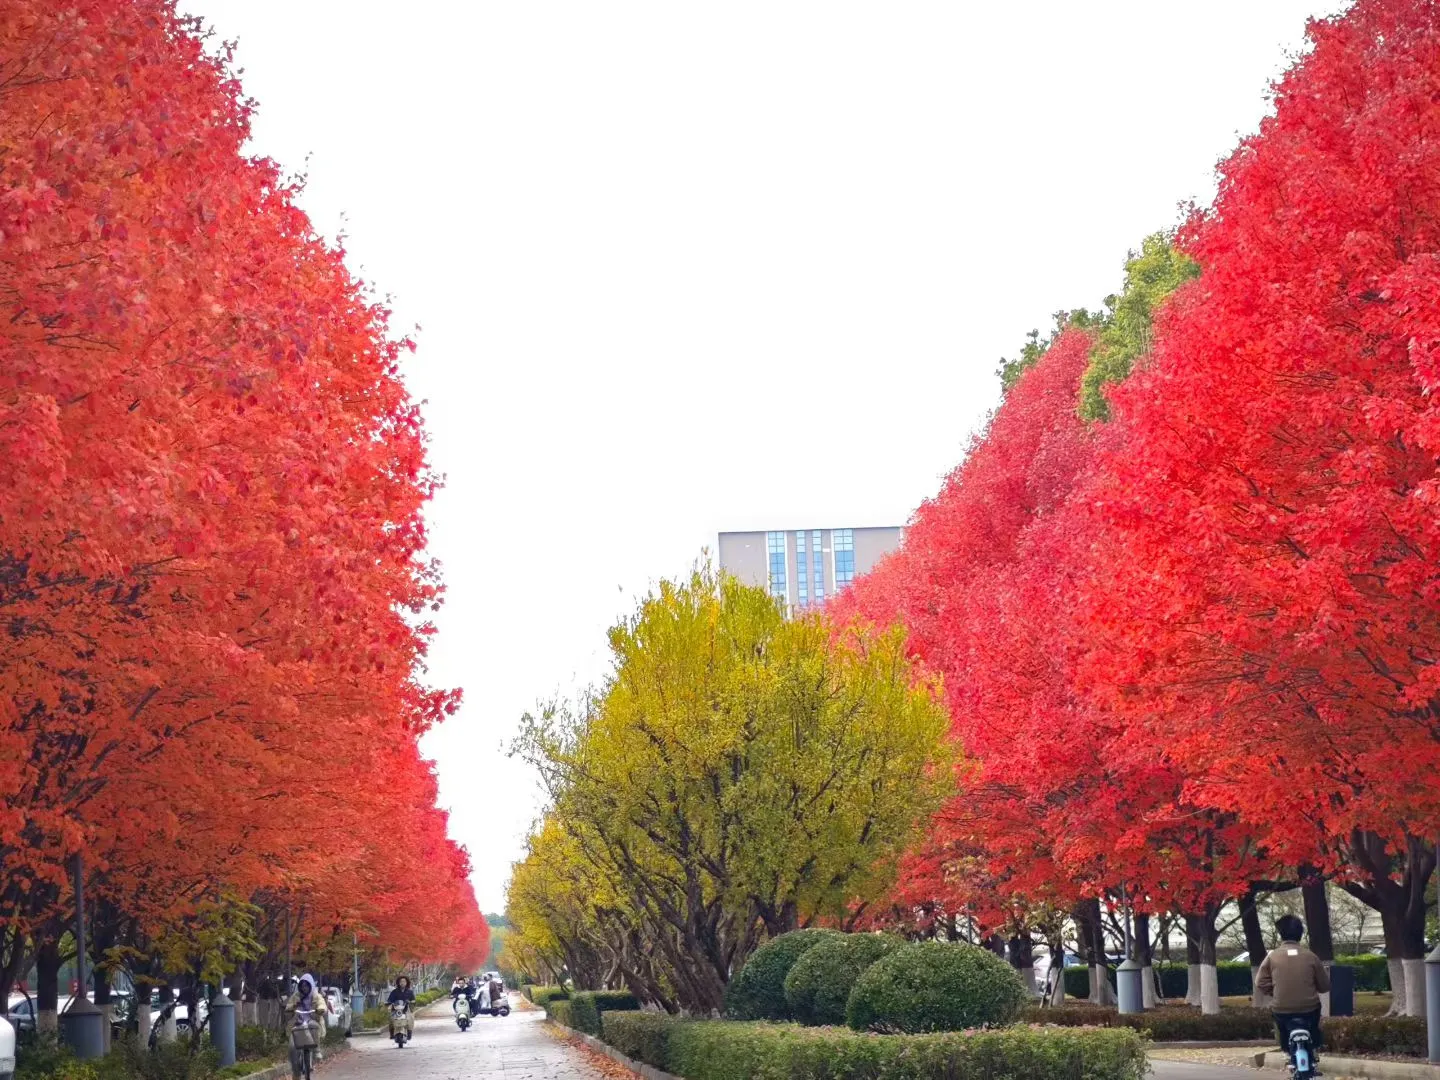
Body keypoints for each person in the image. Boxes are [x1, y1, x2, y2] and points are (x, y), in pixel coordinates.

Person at [1256, 915, 1329, 1070]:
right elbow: (1324, 985)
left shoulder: (1272, 956)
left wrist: (1275, 992)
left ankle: (1287, 1052)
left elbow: (1260, 982)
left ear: (1281, 933)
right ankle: (1314, 1048)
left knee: (1282, 1027)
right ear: (1300, 934)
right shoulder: (1311, 956)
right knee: (1314, 1025)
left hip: (1282, 1009)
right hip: (1309, 1008)